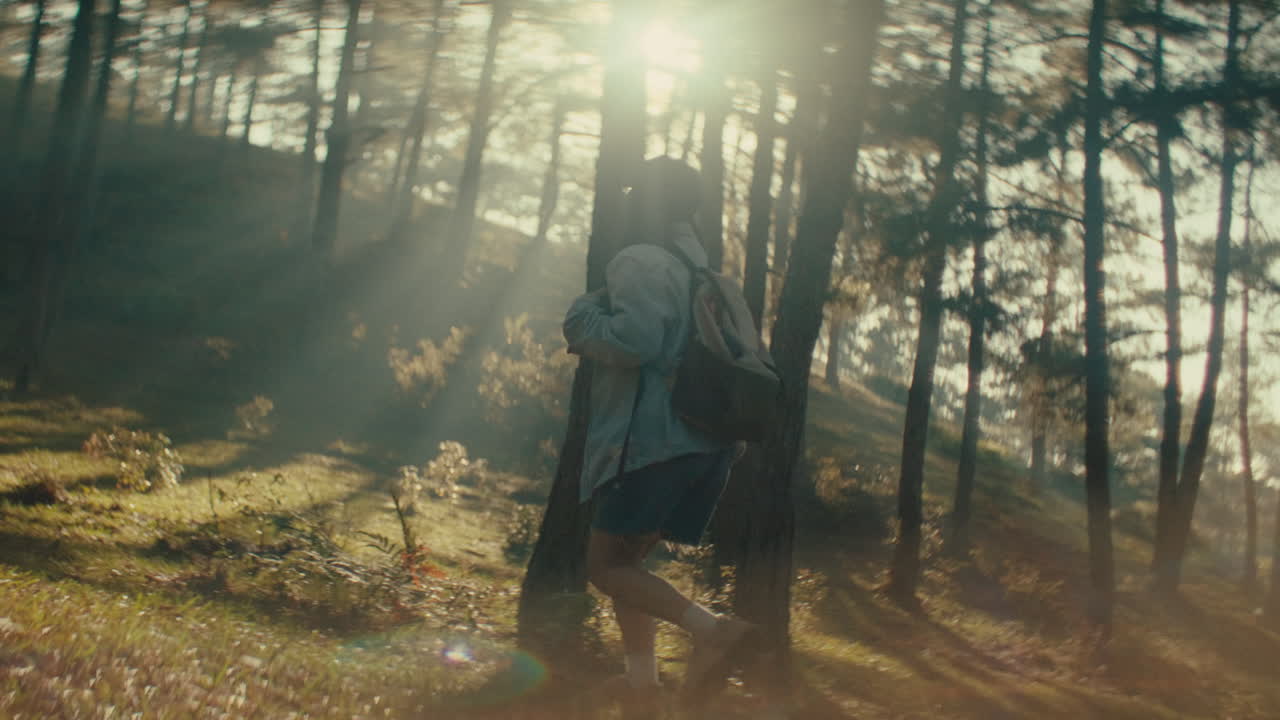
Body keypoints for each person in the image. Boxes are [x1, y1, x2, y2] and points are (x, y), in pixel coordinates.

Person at [563, 157, 755, 699]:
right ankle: (642, 686)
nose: (624, 201)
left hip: (653, 446)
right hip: (702, 444)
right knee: (630, 568)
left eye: (633, 192)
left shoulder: (642, 261)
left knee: (604, 568)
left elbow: (635, 343)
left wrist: (581, 318)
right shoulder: (702, 270)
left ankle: (716, 632)